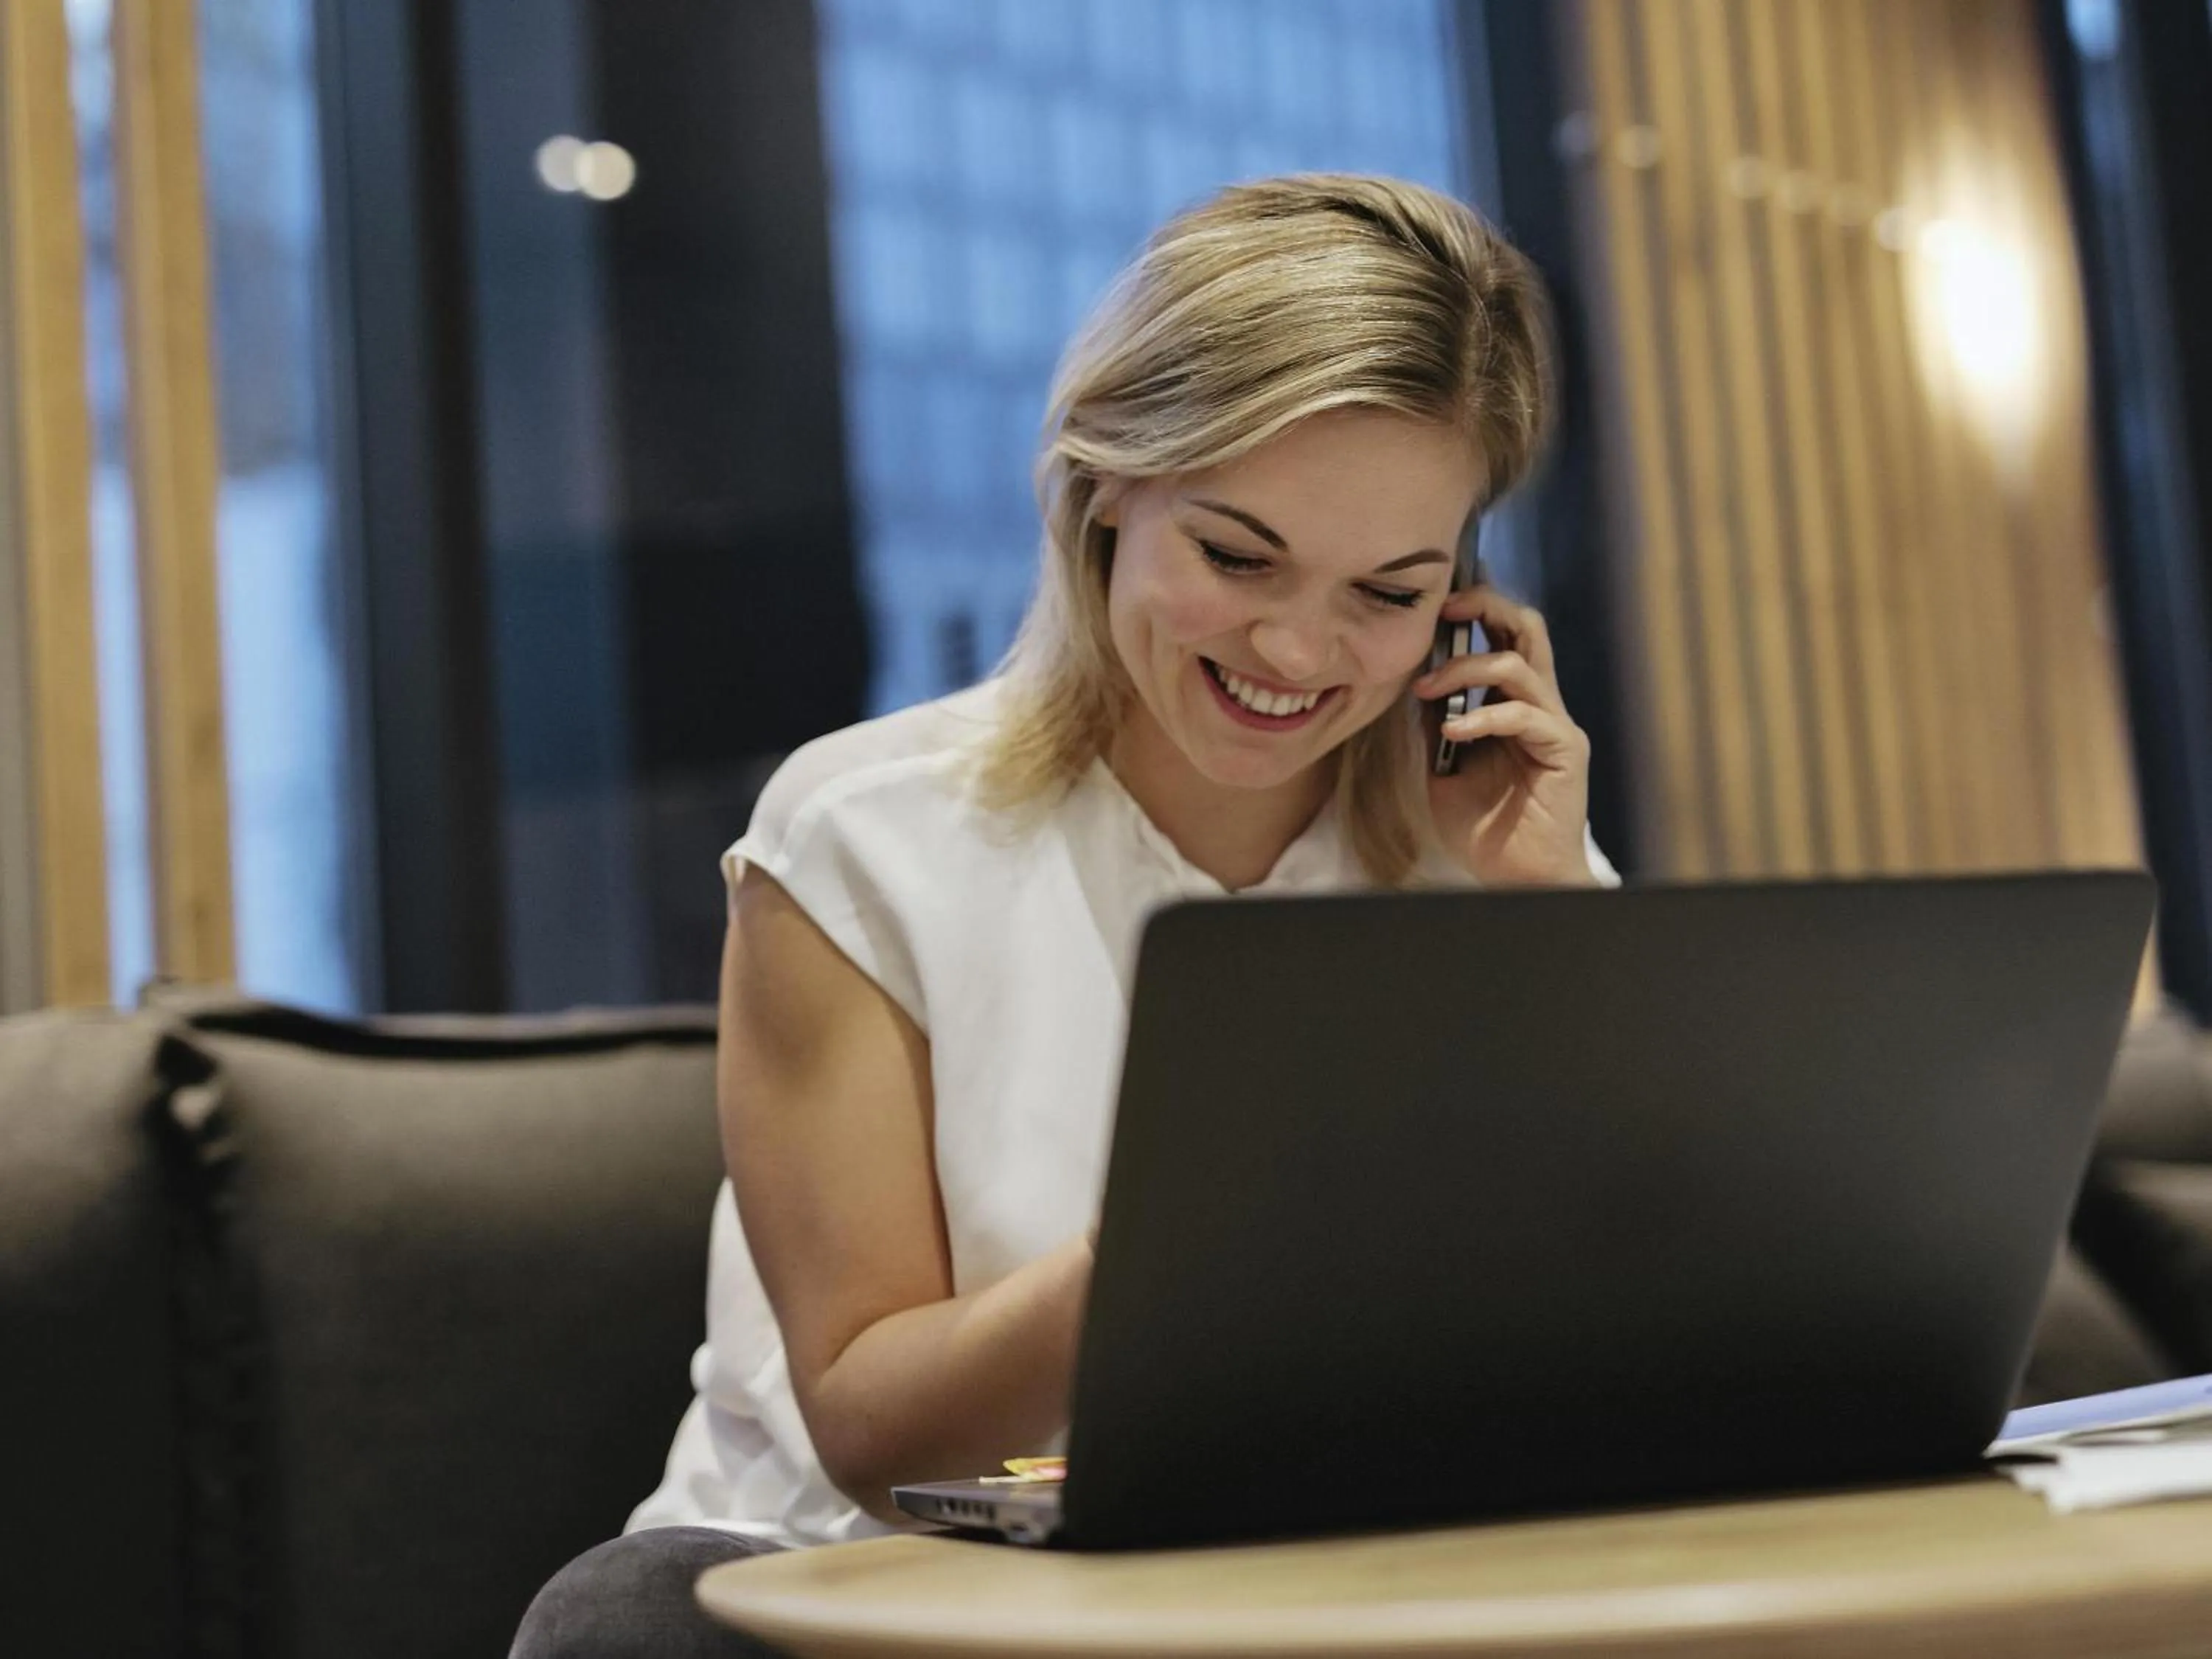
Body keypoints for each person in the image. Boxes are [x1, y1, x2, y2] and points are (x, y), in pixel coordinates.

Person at [510, 171, 1617, 1659]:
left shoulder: (1495, 858)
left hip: (1307, 1586)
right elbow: (877, 1434)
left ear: (1462, 603)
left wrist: (1548, 926)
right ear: (1106, 486)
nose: (1301, 649)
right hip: (868, 1597)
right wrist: (1186, 1245)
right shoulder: (861, 836)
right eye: (1238, 557)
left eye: (1388, 592)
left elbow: (1647, 1357)